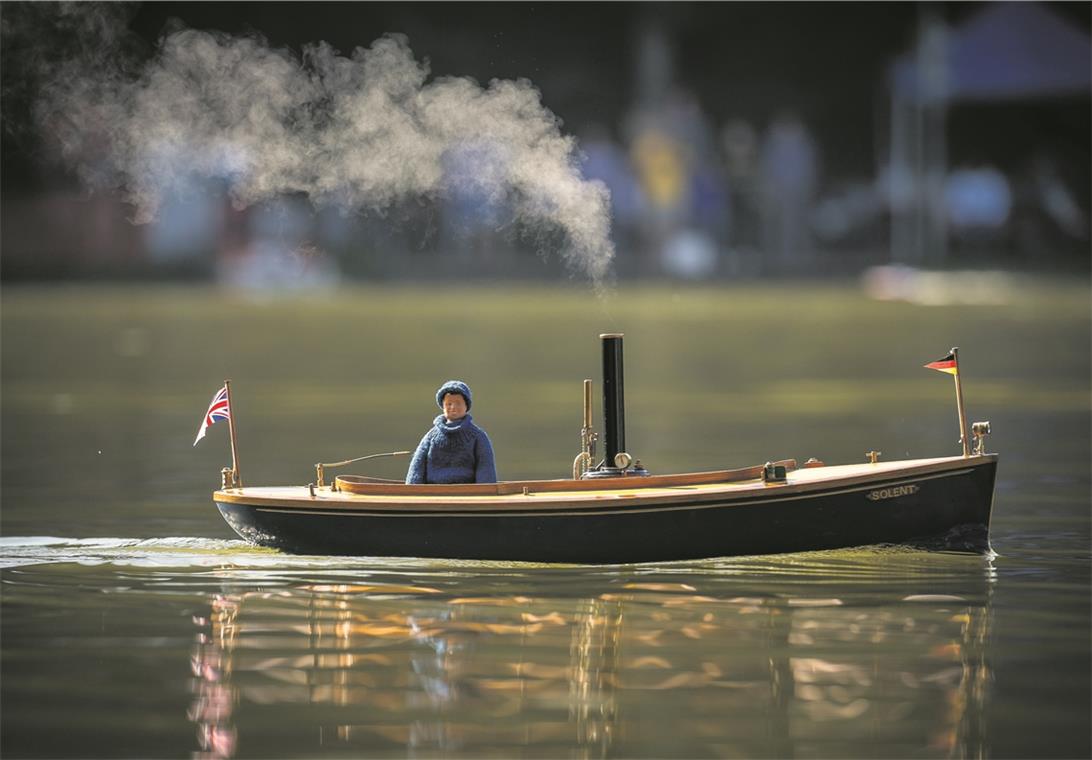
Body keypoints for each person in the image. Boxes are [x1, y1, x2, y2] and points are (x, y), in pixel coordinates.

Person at [406, 381, 497, 485]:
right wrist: (412, 489)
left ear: (466, 406)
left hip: (468, 491)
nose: (453, 407)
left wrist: (485, 491)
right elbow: (418, 465)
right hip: (434, 490)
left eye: (458, 403)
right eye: (448, 404)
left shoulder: (477, 436)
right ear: (443, 407)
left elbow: (485, 466)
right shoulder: (431, 436)